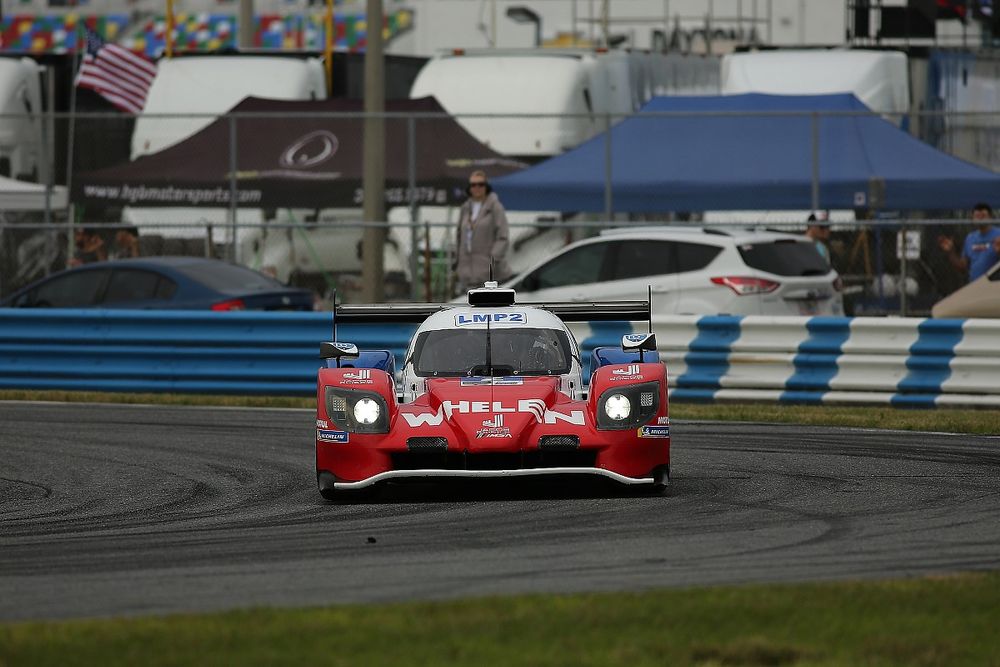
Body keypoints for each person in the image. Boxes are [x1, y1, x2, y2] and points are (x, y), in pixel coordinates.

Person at [454, 170, 512, 295]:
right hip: (467, 274)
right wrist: (457, 261)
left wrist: (492, 260)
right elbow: (459, 235)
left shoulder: (496, 207)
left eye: (481, 184)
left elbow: (503, 237)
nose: (477, 188)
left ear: (487, 186)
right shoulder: (465, 208)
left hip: (490, 276)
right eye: (473, 185)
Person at [937, 203, 1000, 283]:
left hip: (995, 285)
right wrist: (950, 252)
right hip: (974, 285)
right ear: (972, 219)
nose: (980, 219)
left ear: (990, 217)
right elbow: (962, 267)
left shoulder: (999, 234)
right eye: (977, 216)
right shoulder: (970, 238)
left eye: (983, 216)